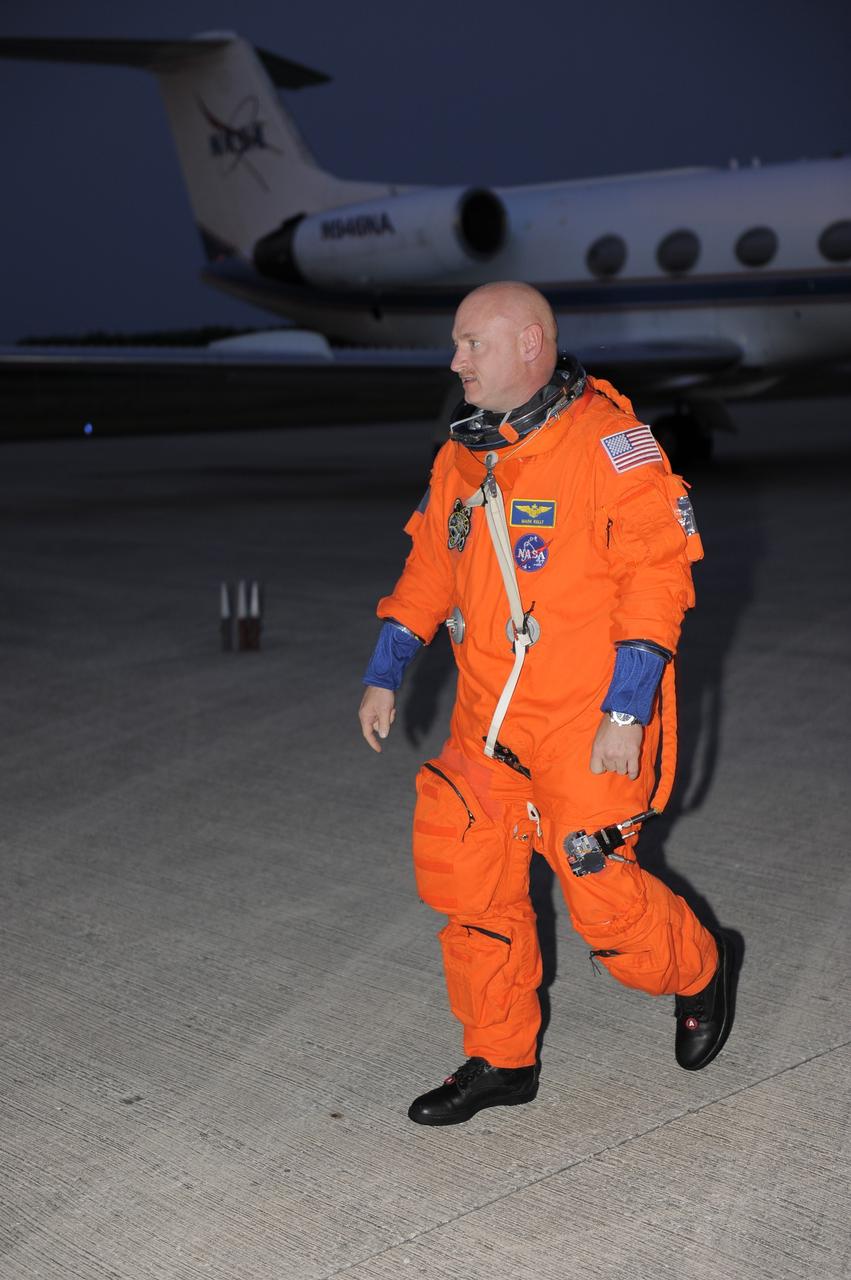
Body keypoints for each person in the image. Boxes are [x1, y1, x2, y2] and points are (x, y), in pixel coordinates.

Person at [358, 281, 732, 1126]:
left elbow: (656, 580)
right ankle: (500, 1058)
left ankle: (698, 968)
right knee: (470, 885)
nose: (454, 361)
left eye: (470, 344)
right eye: (454, 344)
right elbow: (430, 567)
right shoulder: (462, 455)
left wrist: (626, 711)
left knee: (602, 896)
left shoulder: (612, 444)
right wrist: (387, 669)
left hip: (586, 720)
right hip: (489, 724)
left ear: (530, 345)